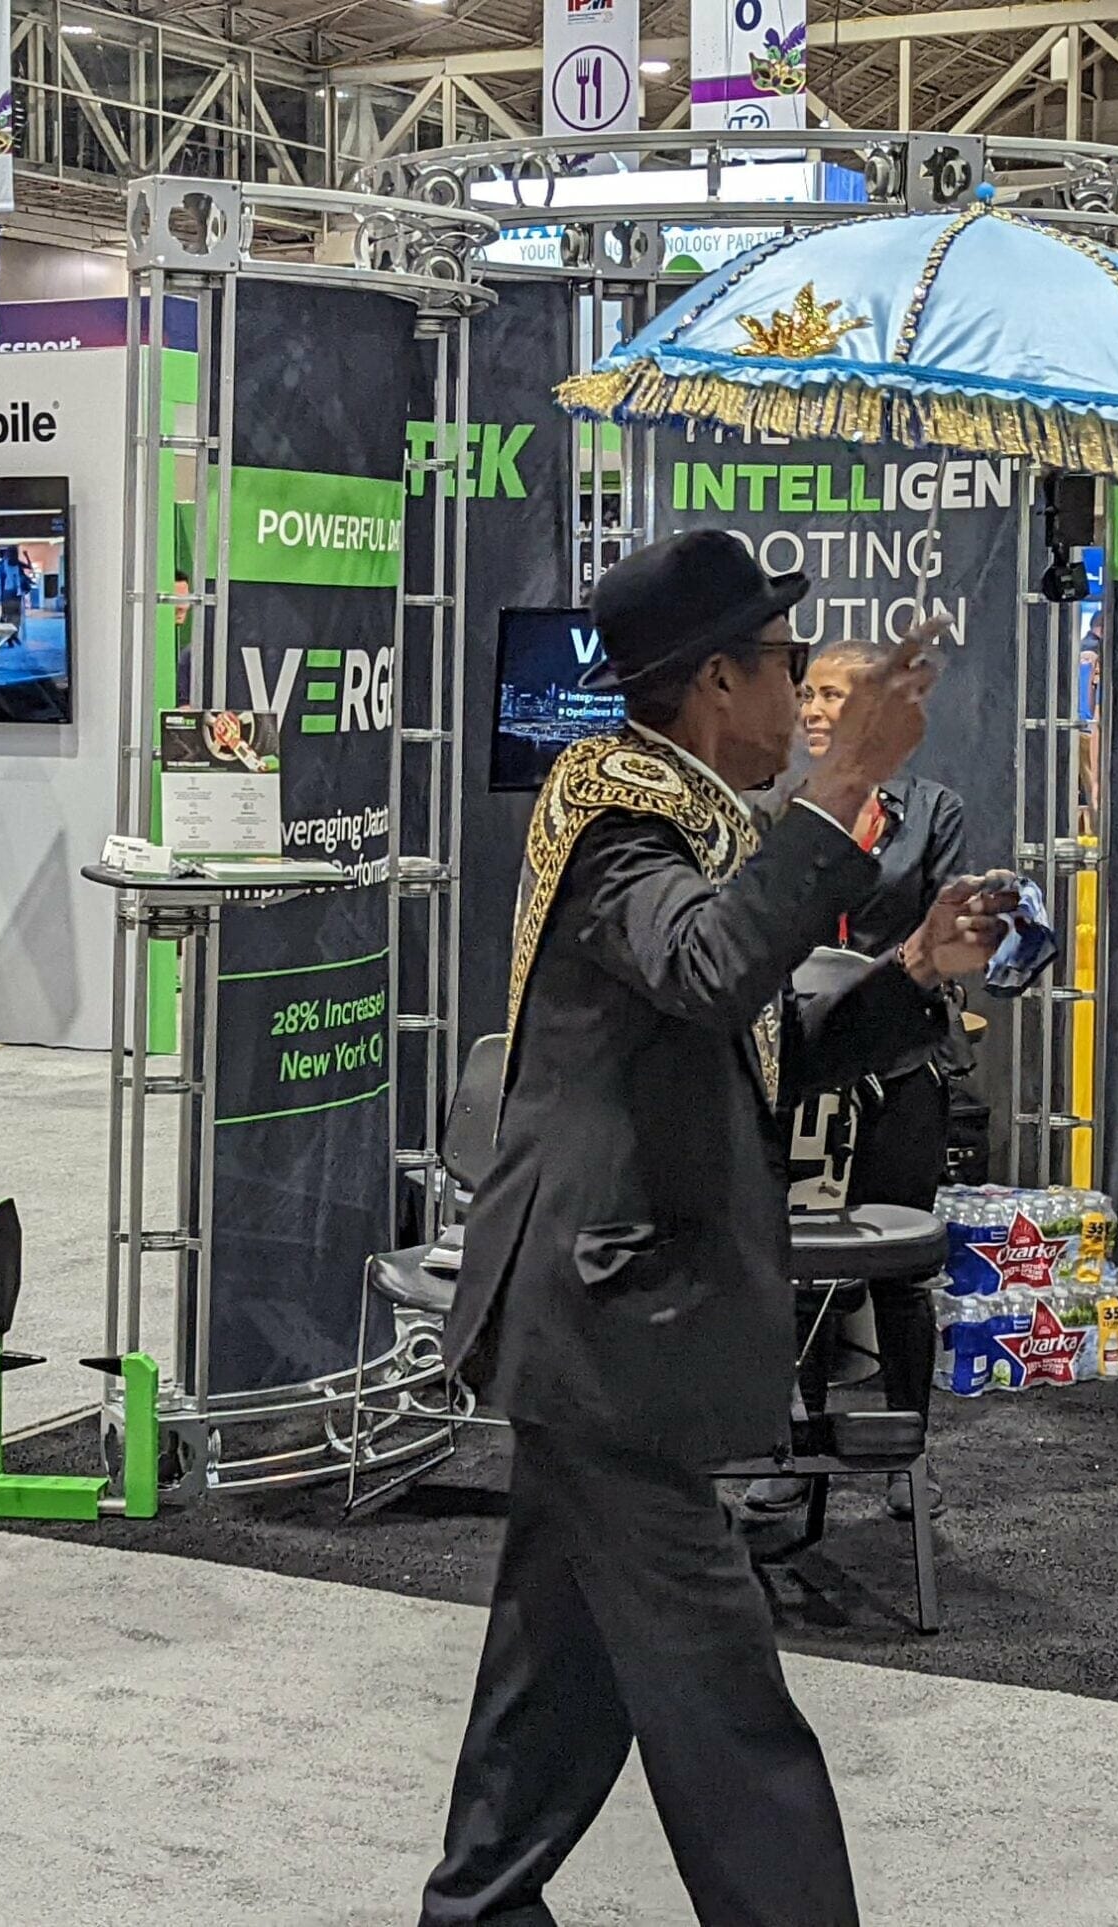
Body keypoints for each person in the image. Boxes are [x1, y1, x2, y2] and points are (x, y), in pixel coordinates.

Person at [421, 530, 1017, 1927]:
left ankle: (479, 1907)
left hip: (608, 1313)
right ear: (711, 684)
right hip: (609, 1318)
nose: (804, 691)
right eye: (785, 667)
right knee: (725, 1696)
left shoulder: (683, 817)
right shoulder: (619, 815)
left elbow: (747, 1042)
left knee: (556, 1673)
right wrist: (847, 782)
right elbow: (709, 971)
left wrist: (912, 972)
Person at [749, 635, 972, 1525]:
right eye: (806, 693)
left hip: (900, 1064)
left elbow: (944, 920)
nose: (811, 709)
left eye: (835, 695)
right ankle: (789, 1448)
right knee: (795, 1265)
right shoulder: (770, 811)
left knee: (900, 1262)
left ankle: (906, 1449)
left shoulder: (933, 810)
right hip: (800, 1064)